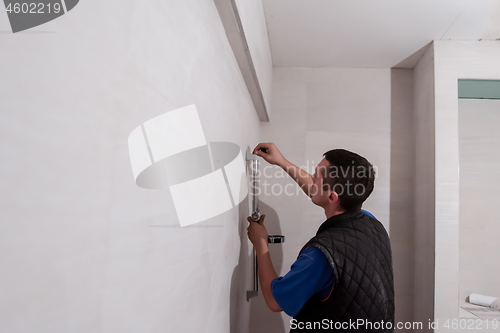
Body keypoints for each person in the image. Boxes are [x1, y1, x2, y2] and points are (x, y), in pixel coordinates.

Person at [247, 143, 394, 332]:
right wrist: (282, 162)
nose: (311, 177)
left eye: (316, 176)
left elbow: (276, 302)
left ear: (332, 197)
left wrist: (261, 243)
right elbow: (319, 191)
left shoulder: (323, 255)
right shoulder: (371, 223)